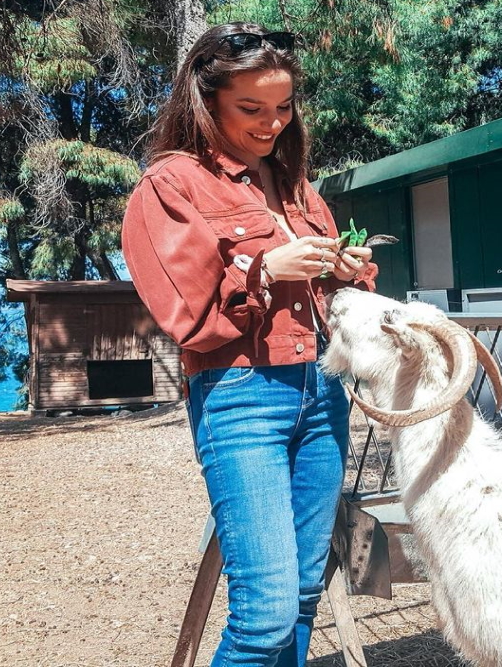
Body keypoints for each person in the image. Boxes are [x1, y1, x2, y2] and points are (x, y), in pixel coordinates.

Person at [121, 22, 376, 666]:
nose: (272, 123)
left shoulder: (293, 183)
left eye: (283, 106)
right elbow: (188, 313)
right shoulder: (171, 183)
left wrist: (345, 268)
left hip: (322, 394)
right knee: (262, 615)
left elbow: (324, 289)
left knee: (300, 596)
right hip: (242, 395)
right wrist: (265, 270)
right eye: (252, 108)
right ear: (206, 102)